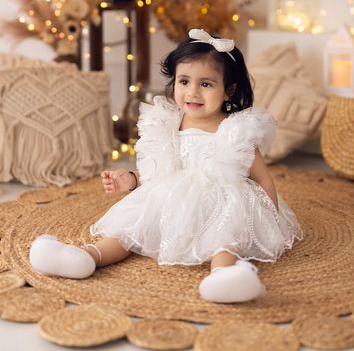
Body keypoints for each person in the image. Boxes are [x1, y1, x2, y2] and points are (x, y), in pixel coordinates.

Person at [29, 28, 303, 303]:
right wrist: (131, 179)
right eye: (184, 81)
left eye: (206, 84)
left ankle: (223, 275)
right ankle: (87, 257)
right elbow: (156, 168)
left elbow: (263, 178)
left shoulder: (235, 131)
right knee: (130, 227)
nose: (192, 92)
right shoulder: (168, 124)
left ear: (228, 90)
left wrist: (271, 217)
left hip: (222, 199)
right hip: (168, 198)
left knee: (226, 234)